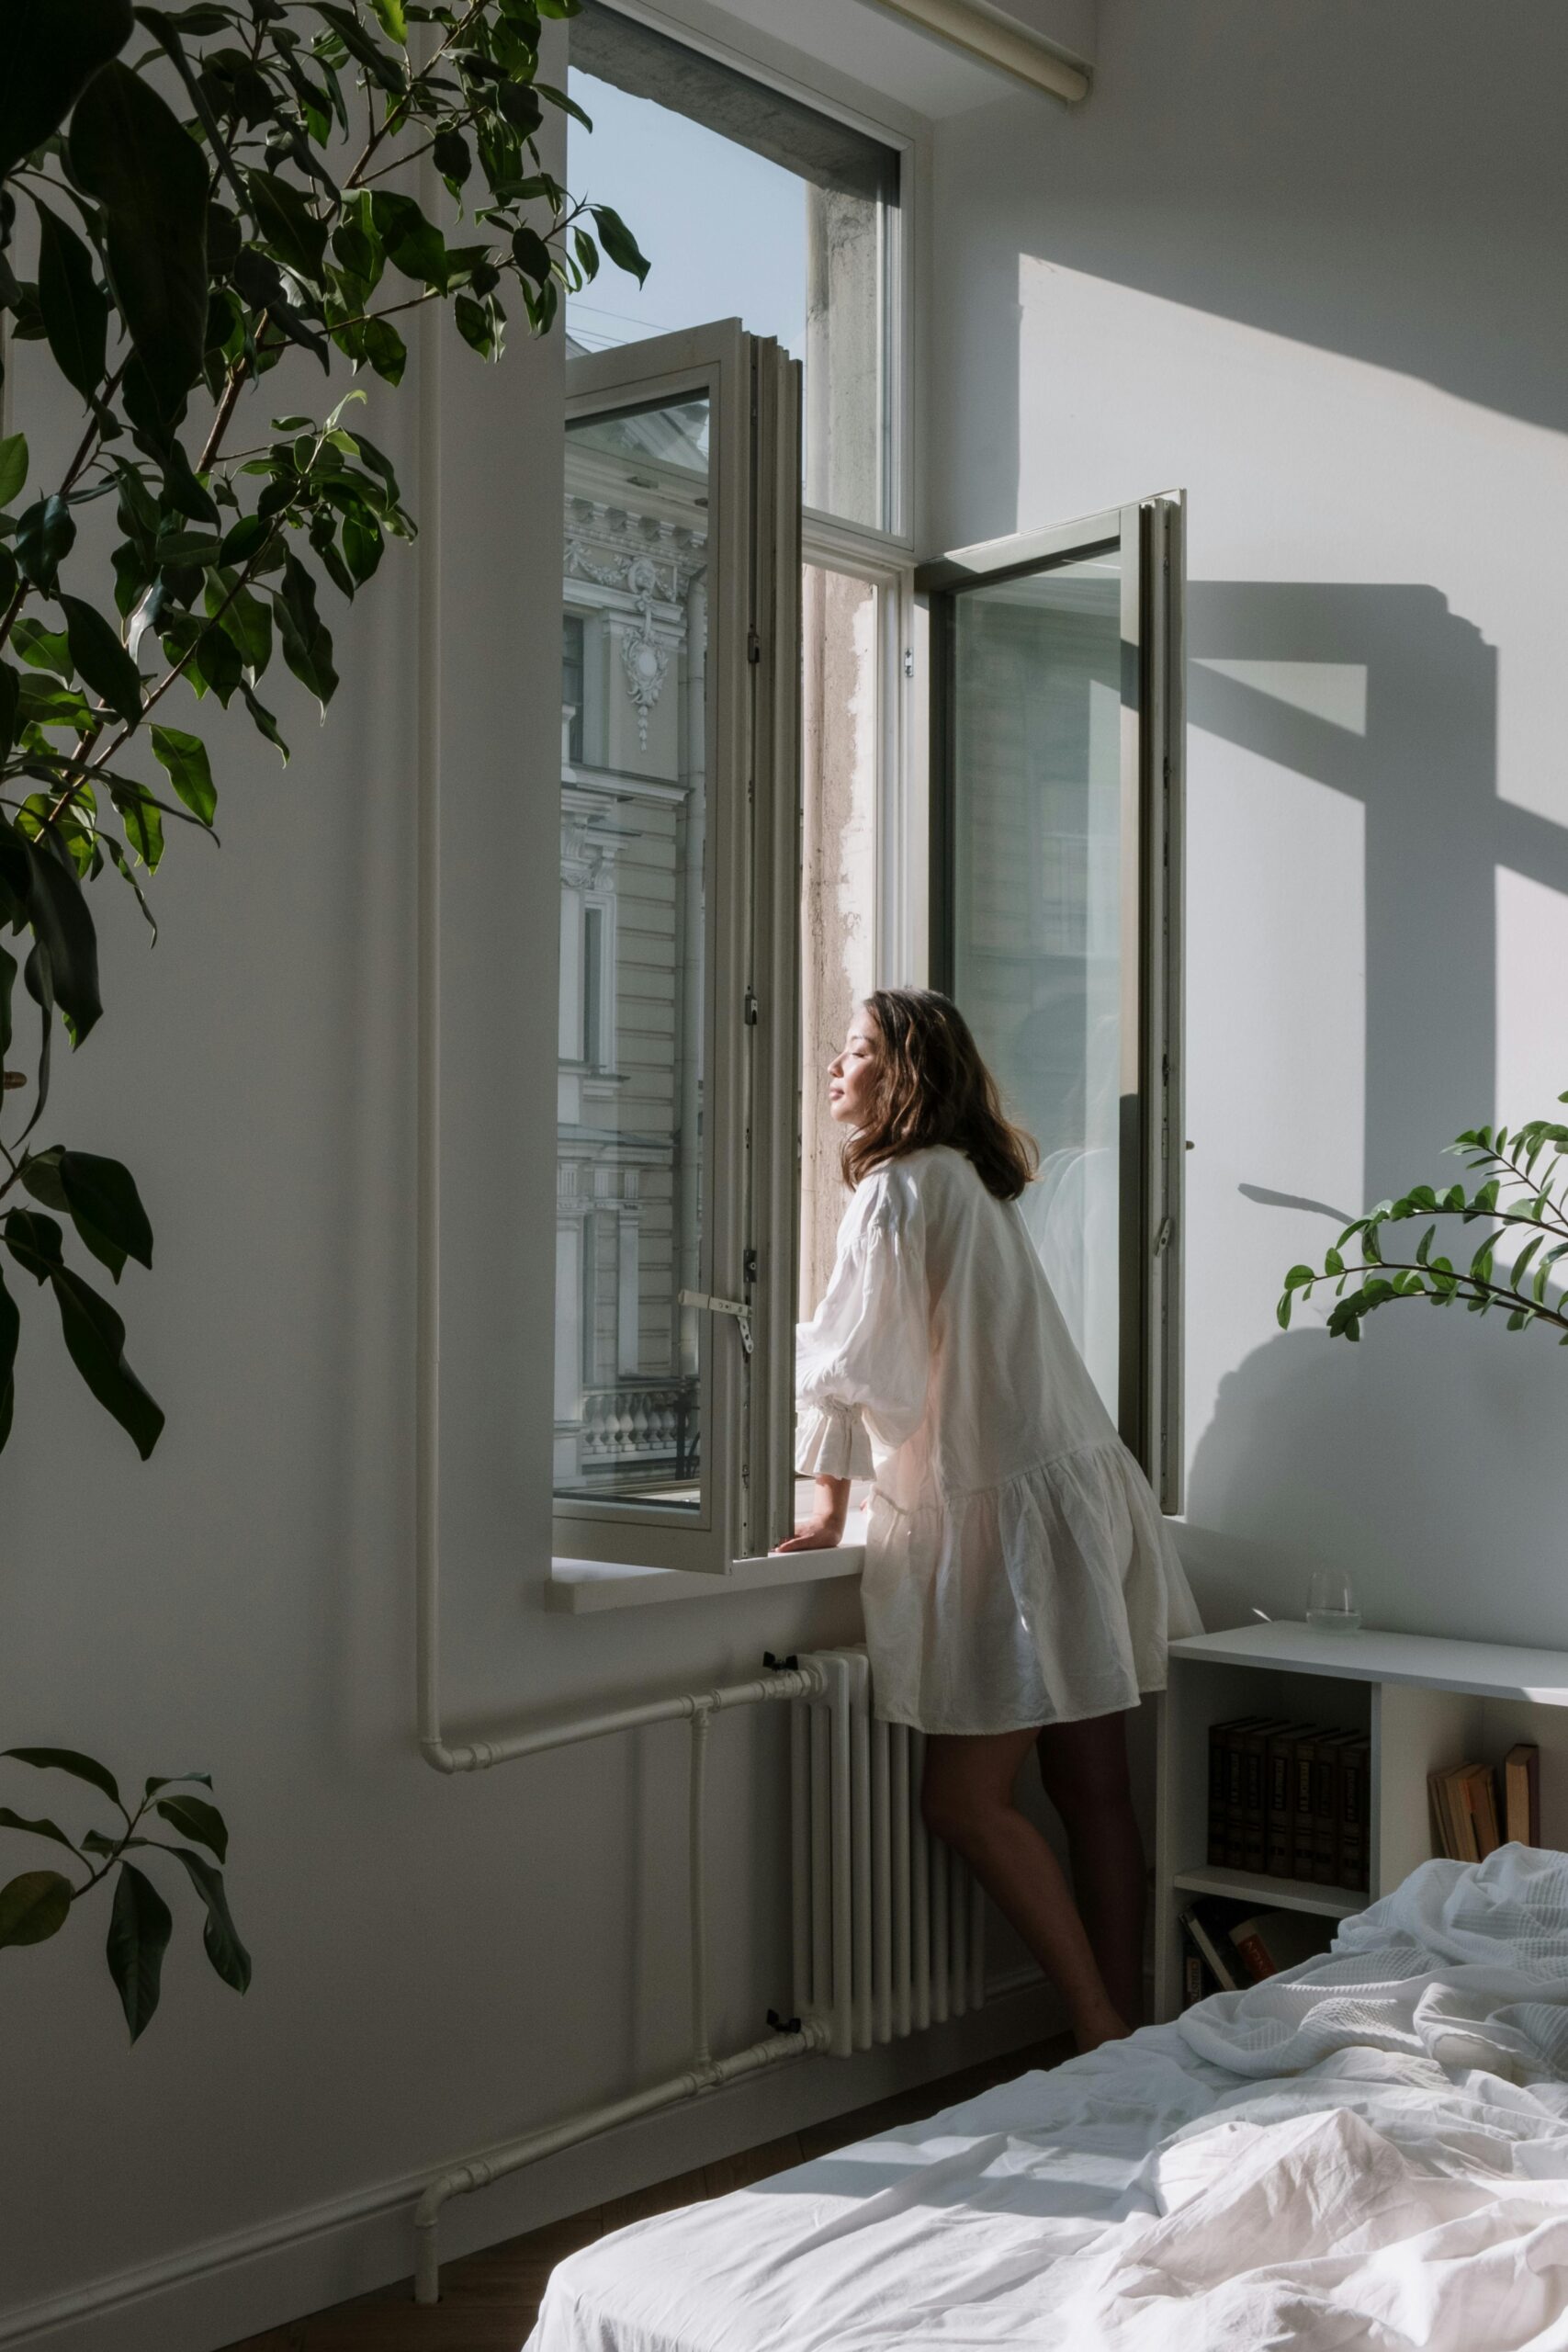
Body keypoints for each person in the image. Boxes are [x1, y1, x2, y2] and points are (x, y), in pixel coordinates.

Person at [780, 989, 1201, 2049]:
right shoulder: (973, 1182)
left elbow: (852, 1362)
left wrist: (824, 1497)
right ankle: (1135, 2031)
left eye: (859, 1051)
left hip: (1014, 1508)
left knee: (965, 1804)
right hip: (1081, 1490)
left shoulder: (896, 1189)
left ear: (908, 1073)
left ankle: (1099, 2028)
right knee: (1092, 1784)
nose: (838, 1067)